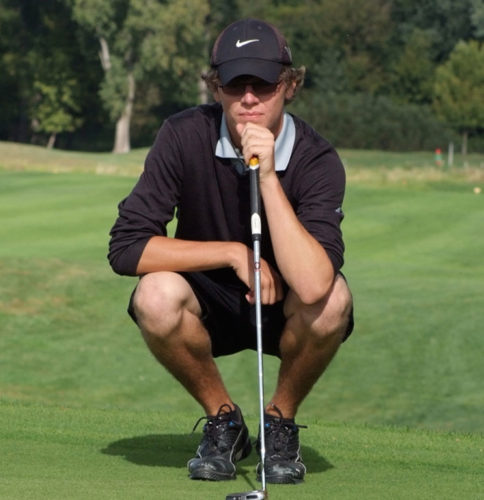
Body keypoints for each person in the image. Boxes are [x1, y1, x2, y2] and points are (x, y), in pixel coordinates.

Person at [108, 18, 354, 485]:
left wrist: (267, 176)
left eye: (262, 84)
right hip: (208, 299)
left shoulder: (318, 159)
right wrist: (234, 254)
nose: (248, 98)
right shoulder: (182, 136)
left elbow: (315, 285)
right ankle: (225, 421)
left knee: (333, 303)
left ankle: (279, 421)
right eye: (234, 84)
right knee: (154, 297)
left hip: (287, 304)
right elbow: (127, 247)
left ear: (288, 86)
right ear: (215, 87)